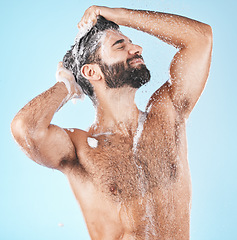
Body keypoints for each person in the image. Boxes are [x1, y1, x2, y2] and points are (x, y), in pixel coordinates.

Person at [11, 6, 212, 240]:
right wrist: (66, 85)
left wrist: (118, 16)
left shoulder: (167, 114)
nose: (136, 48)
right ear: (91, 72)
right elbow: (26, 129)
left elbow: (201, 38)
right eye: (120, 46)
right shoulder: (81, 148)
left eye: (131, 42)